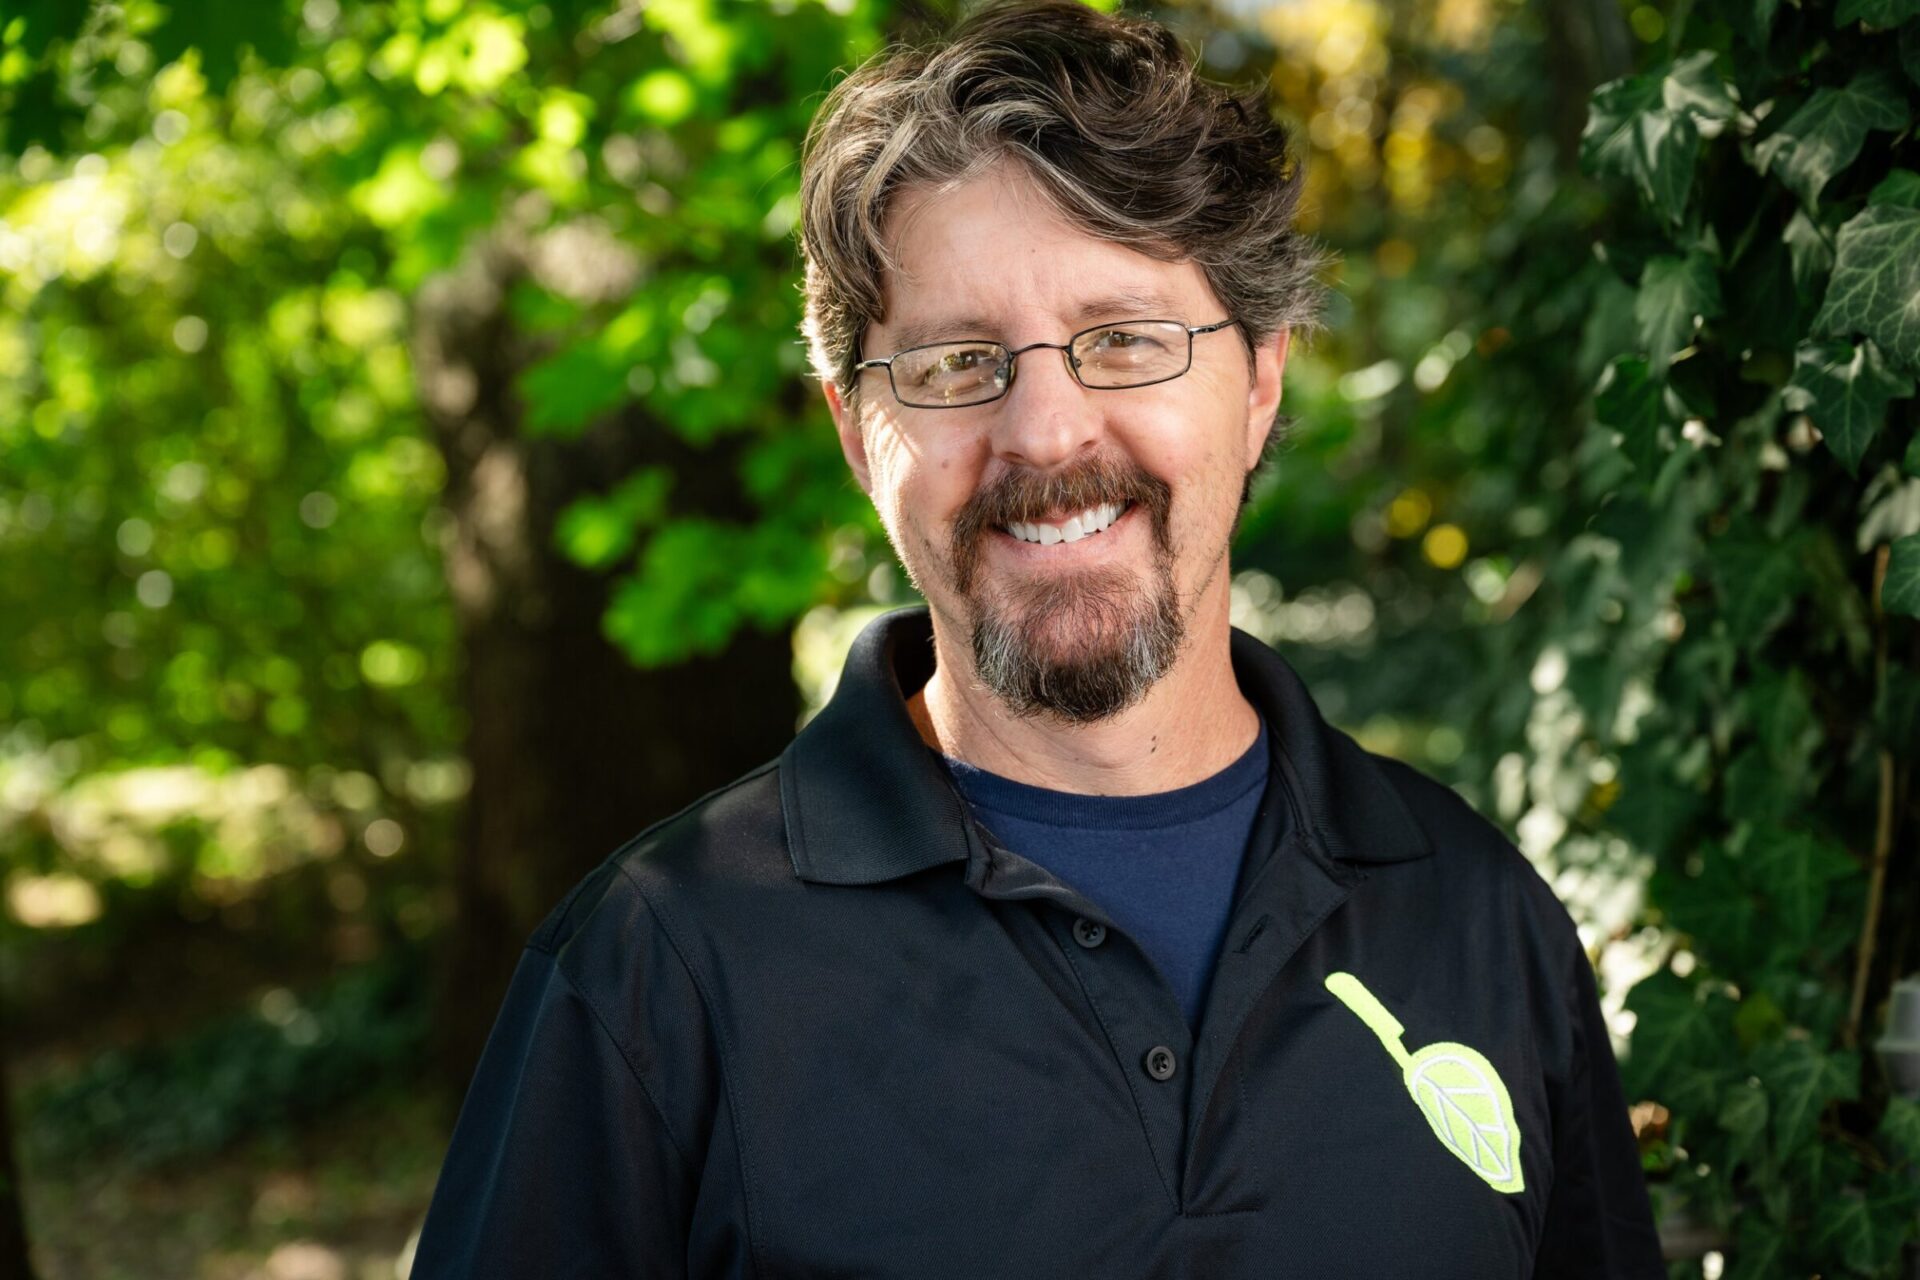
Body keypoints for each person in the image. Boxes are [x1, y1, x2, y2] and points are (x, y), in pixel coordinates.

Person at [409, 3, 1666, 1276]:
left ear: (1263, 378)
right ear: (857, 431)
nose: (1048, 434)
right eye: (957, 361)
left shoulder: (1477, 916)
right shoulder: (656, 971)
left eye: (1124, 338)